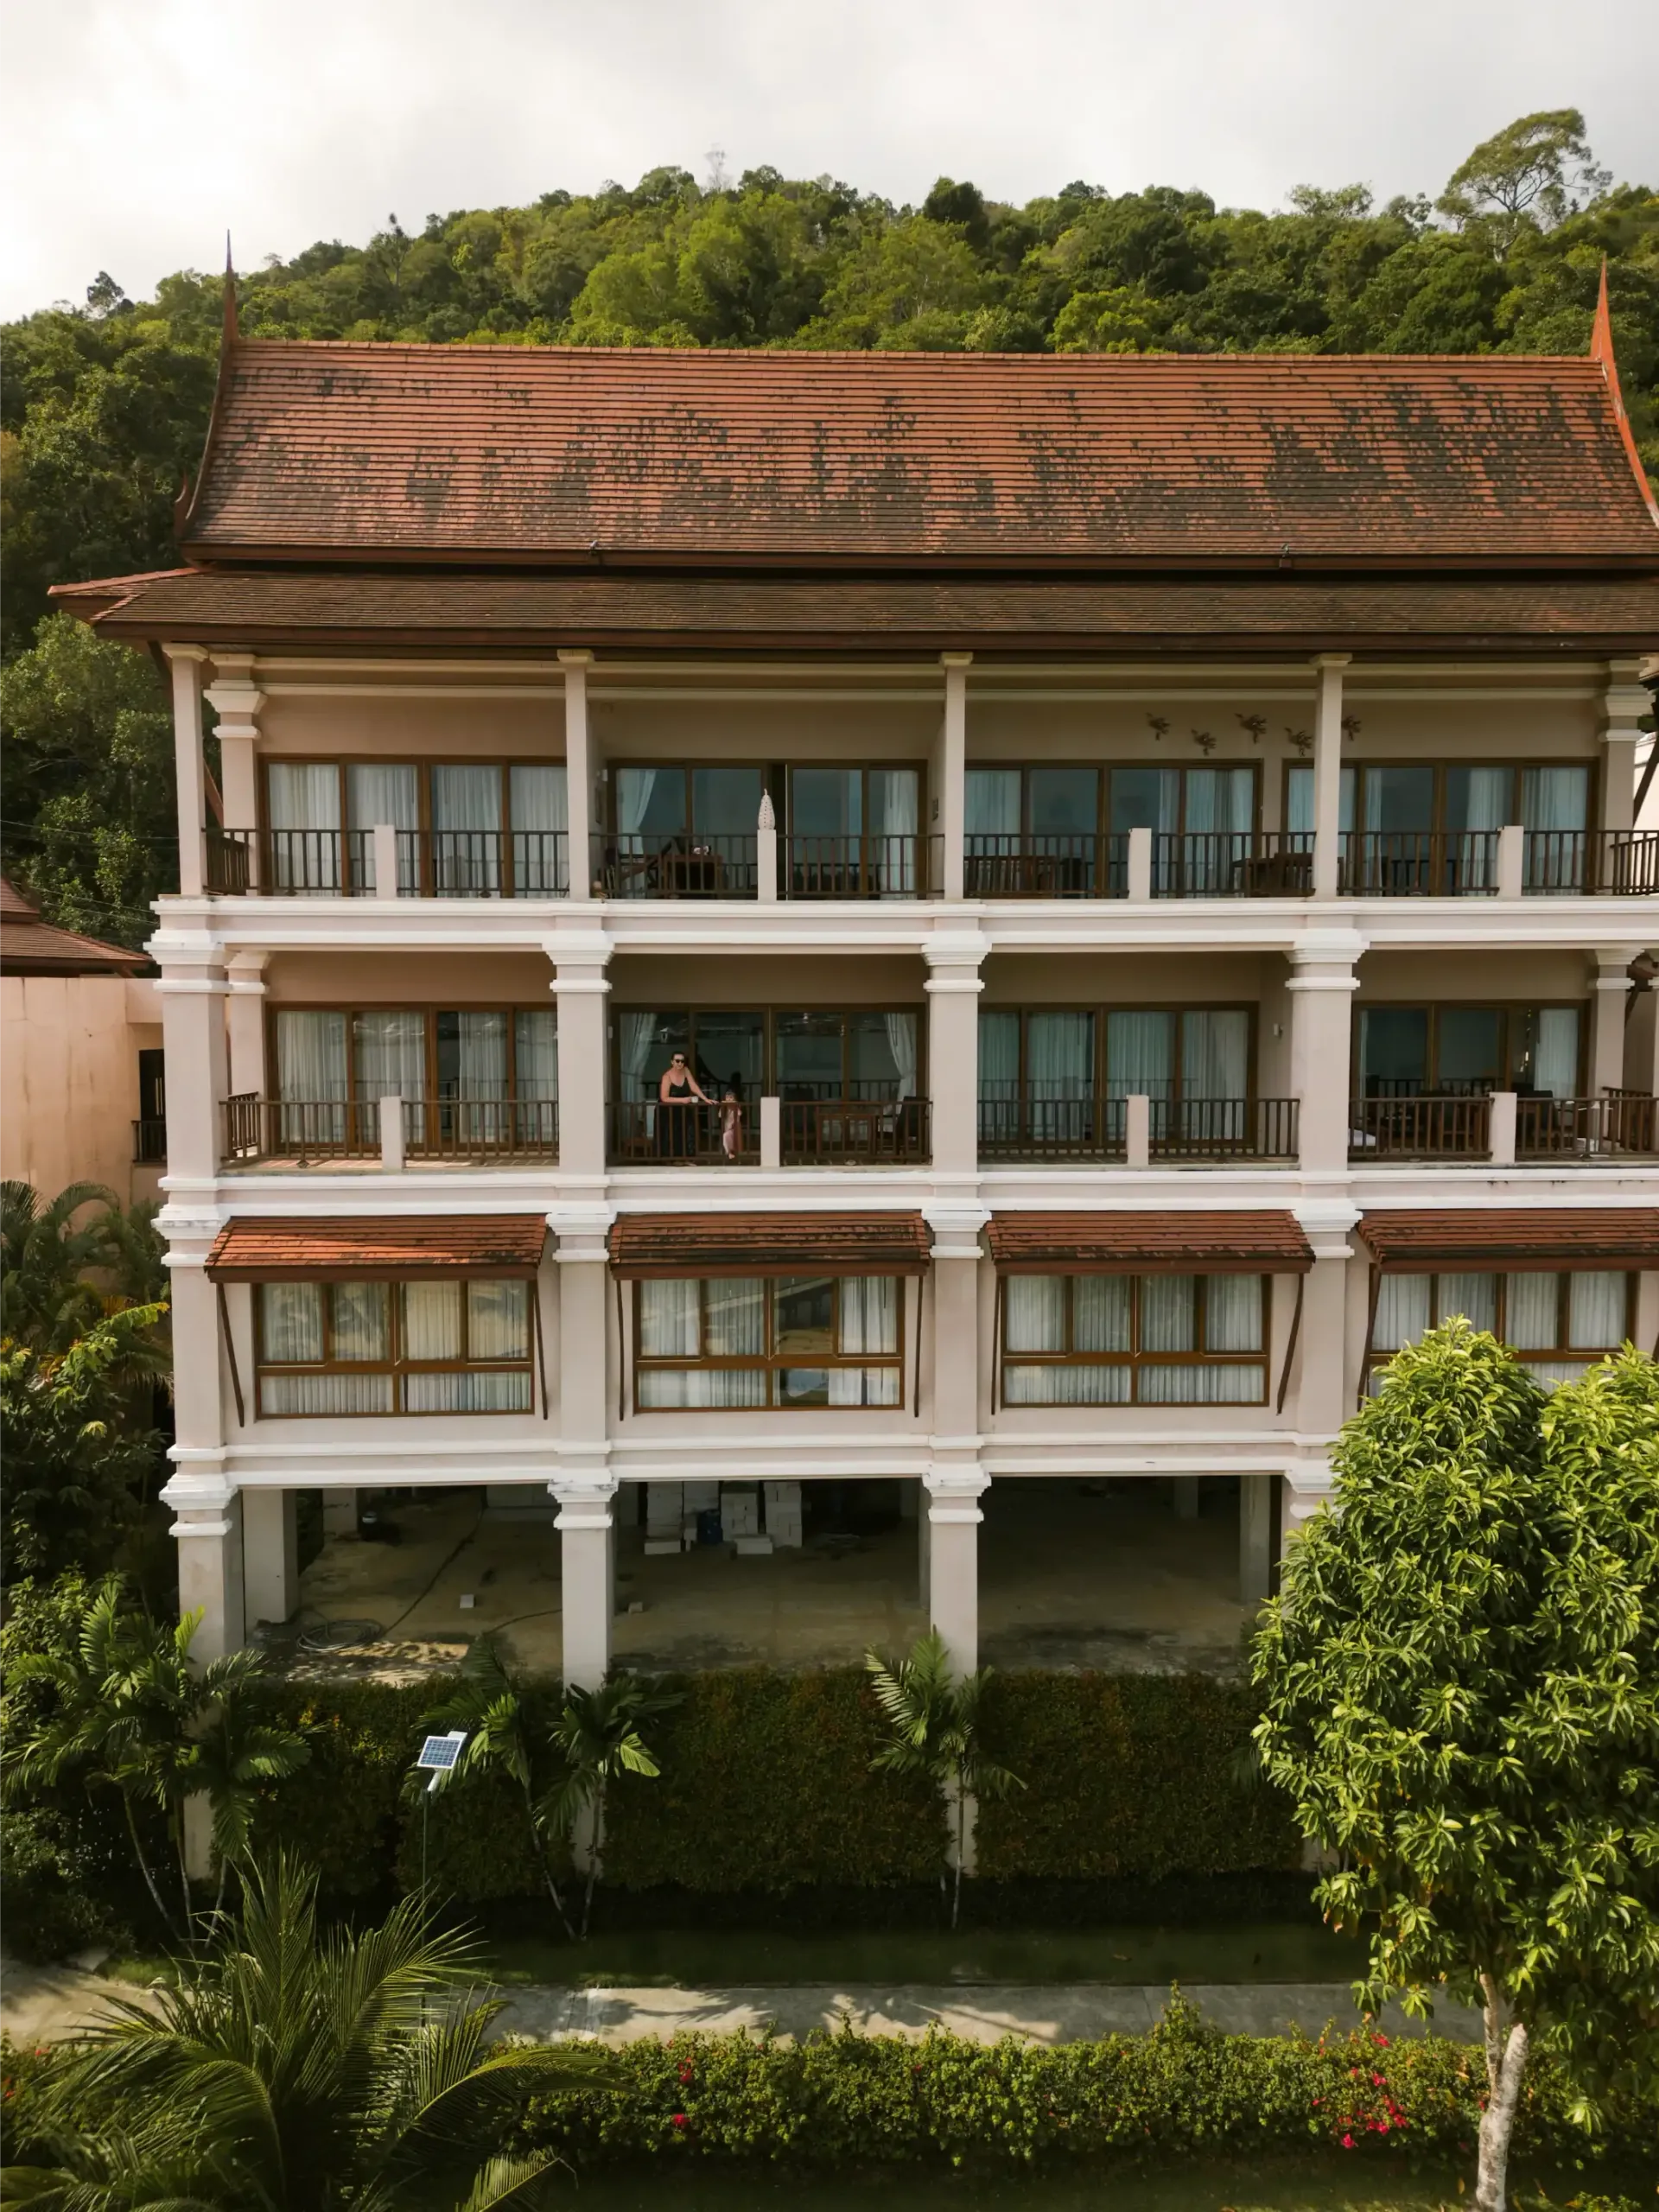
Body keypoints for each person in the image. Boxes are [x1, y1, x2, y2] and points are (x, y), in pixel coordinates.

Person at [658, 1051, 710, 1160]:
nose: (680, 1063)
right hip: (668, 1110)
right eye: (677, 1061)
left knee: (688, 1131)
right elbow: (664, 1098)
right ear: (672, 1062)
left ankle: (686, 1158)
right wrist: (683, 1100)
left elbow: (694, 1086)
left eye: (682, 1061)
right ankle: (671, 1159)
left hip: (682, 1108)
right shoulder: (667, 1076)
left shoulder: (686, 1071)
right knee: (672, 1134)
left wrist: (705, 1099)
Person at [720, 1073, 746, 1161]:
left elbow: (739, 1114)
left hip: (734, 1129)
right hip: (727, 1128)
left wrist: (735, 1106)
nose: (729, 1099)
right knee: (725, 1137)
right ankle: (729, 1153)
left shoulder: (736, 1107)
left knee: (730, 1138)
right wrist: (723, 1106)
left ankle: (732, 1154)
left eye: (731, 1097)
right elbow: (720, 1115)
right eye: (727, 1097)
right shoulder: (724, 1108)